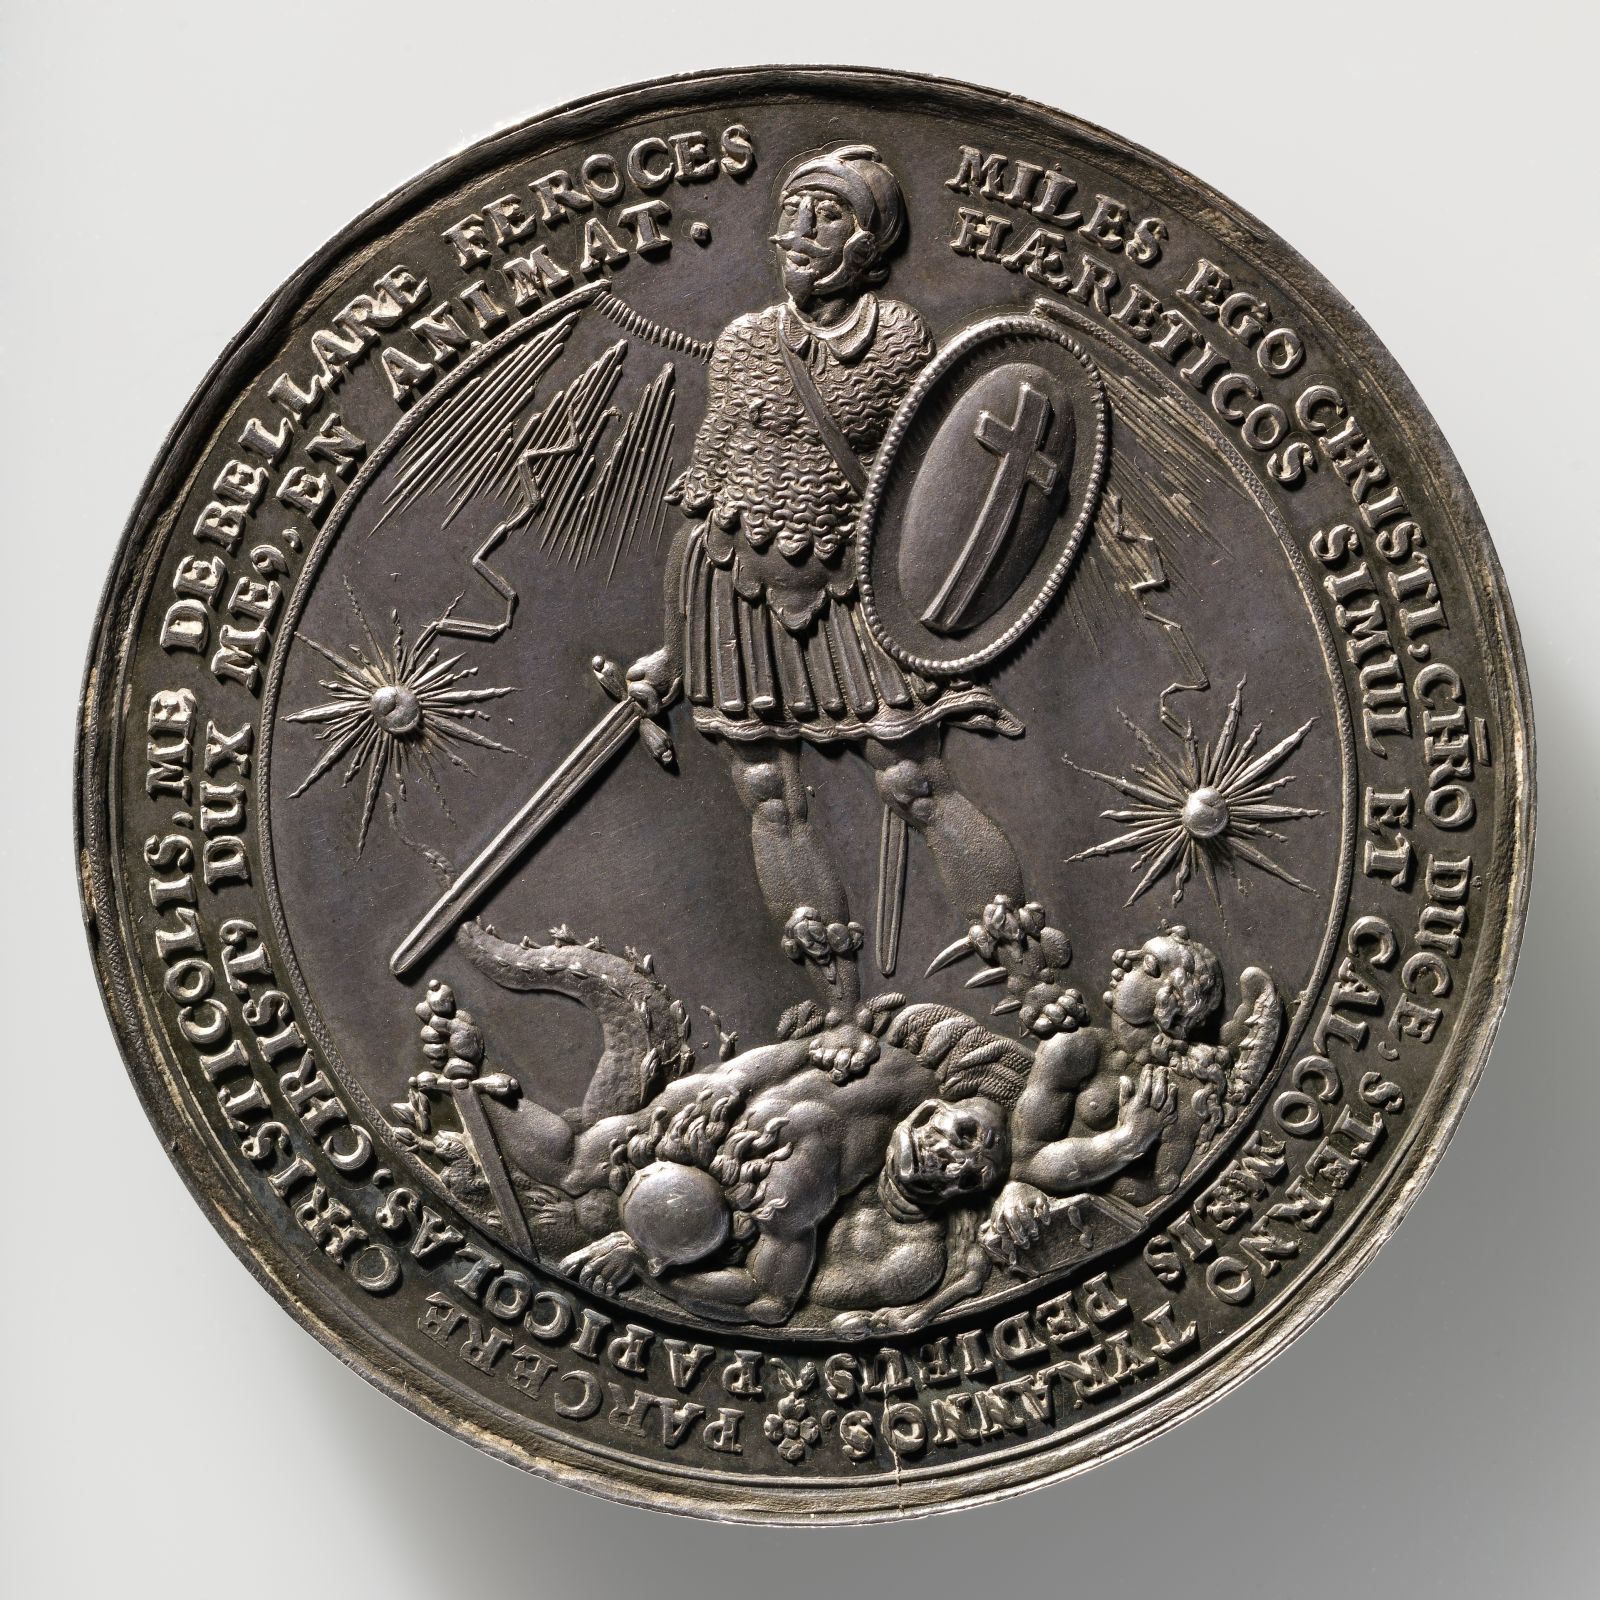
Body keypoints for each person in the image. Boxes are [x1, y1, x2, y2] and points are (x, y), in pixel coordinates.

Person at [627, 143, 1033, 1009]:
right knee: (768, 793)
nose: (801, 230)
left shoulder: (898, 338)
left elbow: (935, 483)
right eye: (793, 211)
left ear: (866, 241)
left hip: (850, 591)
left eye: (828, 213)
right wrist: (674, 653)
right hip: (728, 584)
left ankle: (1032, 977)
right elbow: (708, 490)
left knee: (914, 781)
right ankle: (838, 1008)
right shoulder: (743, 342)